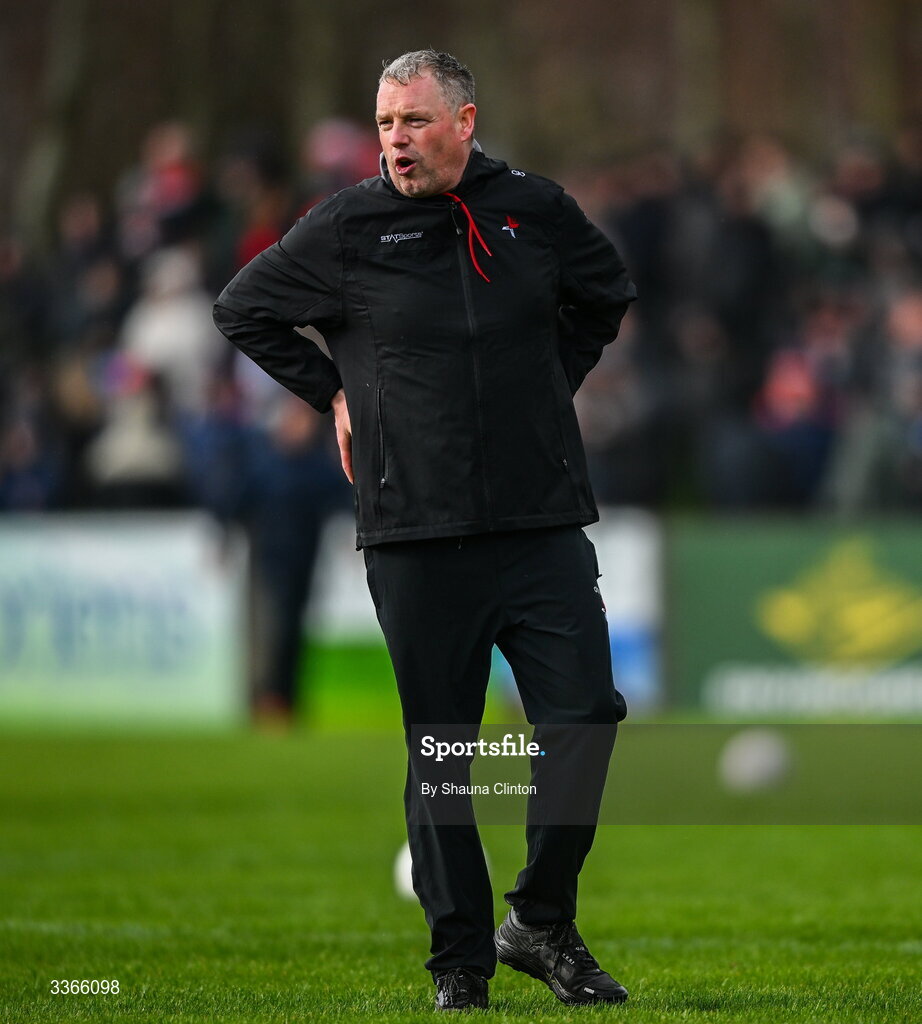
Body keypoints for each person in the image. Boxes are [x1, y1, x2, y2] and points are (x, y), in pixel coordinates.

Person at [214, 49, 636, 1011]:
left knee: (583, 723)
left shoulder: (536, 208)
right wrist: (332, 393)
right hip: (415, 530)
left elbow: (606, 292)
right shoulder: (348, 226)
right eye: (385, 125)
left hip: (540, 521)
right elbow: (242, 308)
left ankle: (539, 921)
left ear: (465, 120)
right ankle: (460, 967)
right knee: (442, 753)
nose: (396, 141)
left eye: (413, 121)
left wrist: (547, 387)